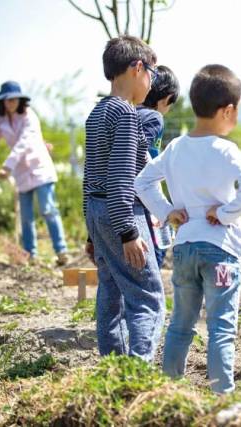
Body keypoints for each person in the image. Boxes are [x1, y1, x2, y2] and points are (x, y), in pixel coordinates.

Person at [135, 64, 241, 394]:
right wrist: (226, 213)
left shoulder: (176, 147)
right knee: (220, 326)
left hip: (185, 249)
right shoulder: (225, 149)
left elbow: (143, 181)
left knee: (180, 324)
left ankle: (167, 391)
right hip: (220, 253)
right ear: (228, 111)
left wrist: (166, 212)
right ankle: (222, 396)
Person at [83, 35, 174, 361]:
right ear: (137, 68)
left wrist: (91, 233)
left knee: (111, 293)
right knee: (148, 297)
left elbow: (90, 176)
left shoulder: (96, 112)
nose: (152, 81)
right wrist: (129, 232)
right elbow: (122, 176)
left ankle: (114, 368)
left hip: (97, 211)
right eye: (150, 72)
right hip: (122, 212)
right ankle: (137, 375)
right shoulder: (125, 113)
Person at [0, 81, 68, 265]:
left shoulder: (30, 116)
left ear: (20, 100)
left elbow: (24, 143)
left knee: (48, 209)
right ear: (2, 102)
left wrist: (7, 166)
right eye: (7, 100)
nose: (11, 103)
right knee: (26, 217)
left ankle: (61, 252)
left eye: (14, 99)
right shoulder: (1, 119)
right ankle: (30, 255)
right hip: (21, 173)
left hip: (39, 169)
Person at [137, 65, 180, 269]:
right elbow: (148, 161)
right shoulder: (154, 118)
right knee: (155, 251)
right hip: (144, 195)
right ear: (166, 98)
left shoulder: (129, 112)